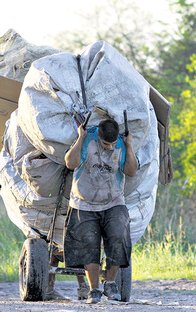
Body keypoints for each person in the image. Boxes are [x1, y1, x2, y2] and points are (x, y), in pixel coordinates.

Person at [64, 118, 139, 304]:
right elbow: (70, 164)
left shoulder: (121, 145)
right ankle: (94, 289)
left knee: (119, 234)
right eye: (106, 143)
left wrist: (129, 146)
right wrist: (80, 138)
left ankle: (111, 283)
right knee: (89, 243)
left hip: (113, 201)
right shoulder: (87, 139)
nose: (109, 147)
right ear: (97, 135)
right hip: (84, 203)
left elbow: (131, 171)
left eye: (113, 143)